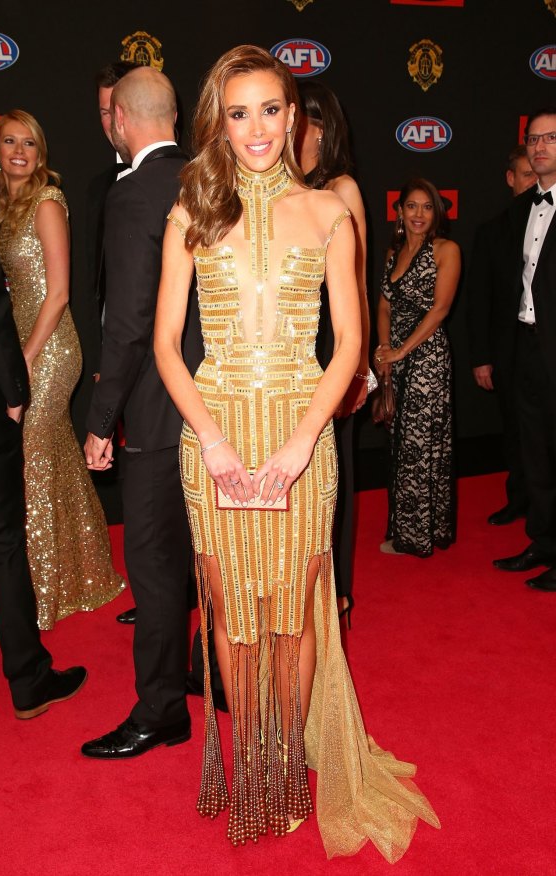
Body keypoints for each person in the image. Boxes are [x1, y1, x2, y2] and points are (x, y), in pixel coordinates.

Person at [154, 45, 439, 859]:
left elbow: (349, 345)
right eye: (238, 113)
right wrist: (210, 440)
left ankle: (283, 764)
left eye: (271, 110)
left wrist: (300, 443)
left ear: (295, 115)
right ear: (219, 120)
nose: (257, 129)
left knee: (297, 608)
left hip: (301, 433)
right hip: (213, 438)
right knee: (230, 605)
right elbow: (167, 348)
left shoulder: (329, 214)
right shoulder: (190, 213)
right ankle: (254, 762)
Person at [81, 66, 203, 758]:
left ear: (120, 120)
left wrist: (101, 418)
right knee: (208, 557)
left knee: (155, 565)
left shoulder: (134, 195)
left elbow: (126, 325)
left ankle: (161, 710)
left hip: (159, 414)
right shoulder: (209, 179)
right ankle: (203, 669)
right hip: (222, 406)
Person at [0, 110, 125, 630]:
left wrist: (23, 359)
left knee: (34, 456)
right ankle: (87, 572)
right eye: (9, 142)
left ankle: (41, 595)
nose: (19, 151)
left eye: (30, 144)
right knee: (55, 454)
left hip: (50, 347)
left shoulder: (47, 202)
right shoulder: (0, 210)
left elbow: (60, 292)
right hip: (20, 343)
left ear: (41, 155)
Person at [0, 185, 87, 719]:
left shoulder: (45, 200)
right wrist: (13, 389)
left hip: (44, 349)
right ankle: (27, 679)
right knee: (1, 540)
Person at [296, 78, 371, 626]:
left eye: (305, 118)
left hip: (333, 346)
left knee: (332, 474)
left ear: (324, 130)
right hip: (289, 349)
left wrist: (360, 365)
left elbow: (360, 284)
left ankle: (335, 596)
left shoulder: (341, 189)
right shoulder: (277, 187)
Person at [375, 178, 460, 557]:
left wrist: (402, 350)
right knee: (400, 443)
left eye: (427, 207)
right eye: (412, 206)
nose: (419, 214)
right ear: (400, 212)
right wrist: (384, 350)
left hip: (427, 359)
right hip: (398, 359)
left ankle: (416, 536)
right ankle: (420, 527)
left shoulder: (446, 250)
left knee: (420, 446)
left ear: (436, 213)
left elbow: (440, 309)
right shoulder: (394, 254)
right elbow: (383, 306)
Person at [493, 107, 556, 592]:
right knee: (534, 452)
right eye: (533, 140)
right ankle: (544, 541)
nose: (539, 147)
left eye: (550, 138)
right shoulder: (519, 211)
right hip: (527, 348)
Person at [86, 60, 138, 626]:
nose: (108, 121)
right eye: (101, 110)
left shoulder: (179, 180)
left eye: (115, 108)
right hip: (116, 351)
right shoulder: (98, 188)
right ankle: (152, 597)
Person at [467, 146, 537, 526]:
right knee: (514, 431)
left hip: (543, 351)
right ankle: (519, 499)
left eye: (537, 173)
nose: (532, 180)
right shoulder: (491, 232)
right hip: (508, 353)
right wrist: (481, 357)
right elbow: (480, 302)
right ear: (511, 179)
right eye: (524, 174)